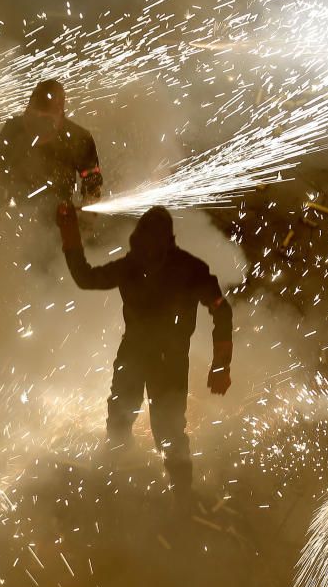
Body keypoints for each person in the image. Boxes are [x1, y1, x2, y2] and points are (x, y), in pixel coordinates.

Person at [55, 202, 233, 506]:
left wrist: (221, 365)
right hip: (137, 356)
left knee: (169, 431)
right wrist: (69, 229)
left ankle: (182, 499)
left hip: (166, 361)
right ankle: (111, 488)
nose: (147, 255)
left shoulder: (189, 269)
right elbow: (86, 278)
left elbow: (222, 311)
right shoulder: (135, 265)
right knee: (122, 420)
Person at [0, 80, 103, 218]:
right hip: (16, 211)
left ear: (59, 113)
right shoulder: (13, 128)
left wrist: (87, 217)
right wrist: (0, 193)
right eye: (35, 116)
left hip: (59, 213)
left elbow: (91, 180)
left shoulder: (78, 138)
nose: (39, 124)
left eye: (45, 118)